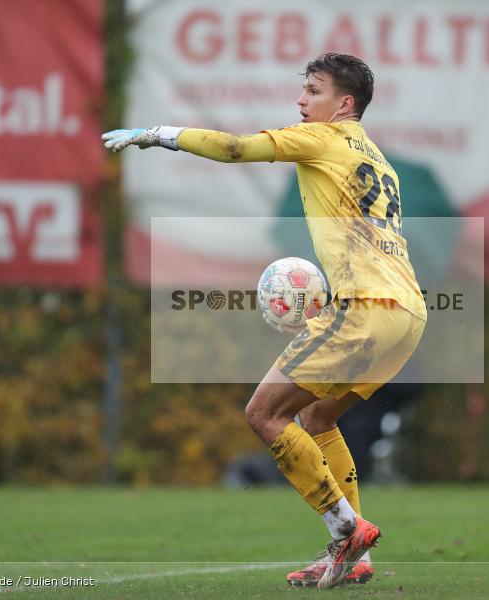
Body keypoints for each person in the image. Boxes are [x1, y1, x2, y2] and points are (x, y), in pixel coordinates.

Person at [103, 53, 427, 589]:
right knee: (319, 418)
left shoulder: (325, 139)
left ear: (344, 105)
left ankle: (345, 529)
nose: (301, 102)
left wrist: (159, 134)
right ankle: (355, 557)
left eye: (313, 91)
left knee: (264, 413)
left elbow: (235, 149)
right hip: (408, 313)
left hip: (368, 308)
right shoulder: (378, 158)